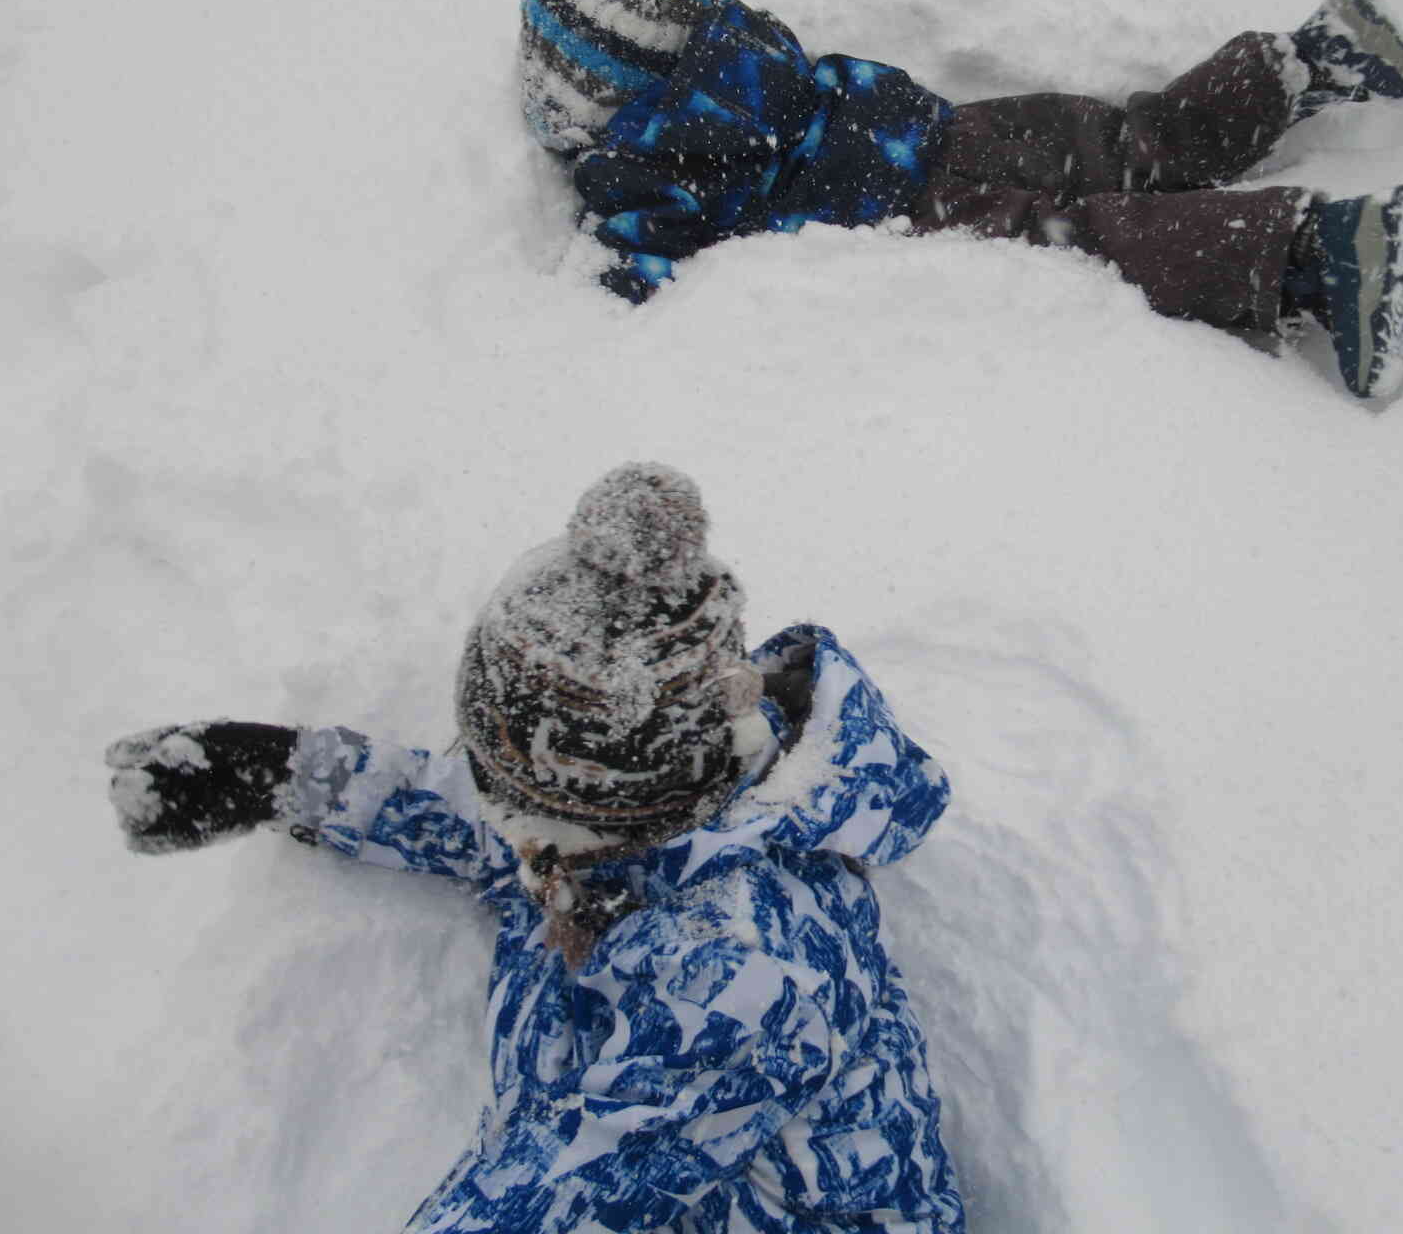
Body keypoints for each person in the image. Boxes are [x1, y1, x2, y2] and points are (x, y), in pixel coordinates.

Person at [104, 464, 964, 1234]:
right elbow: (477, 822)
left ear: (602, 813)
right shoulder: (646, 799)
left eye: (503, 786)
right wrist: (285, 775)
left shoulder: (740, 975)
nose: (486, 806)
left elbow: (564, 1190)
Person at [521, 0, 1403, 398]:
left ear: (597, 88)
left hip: (913, 210)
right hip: (942, 126)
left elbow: (638, 264)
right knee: (1129, 140)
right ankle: (1312, 60)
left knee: (1097, 243)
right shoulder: (732, 35)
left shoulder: (644, 159)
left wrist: (606, 262)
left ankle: (1319, 254)